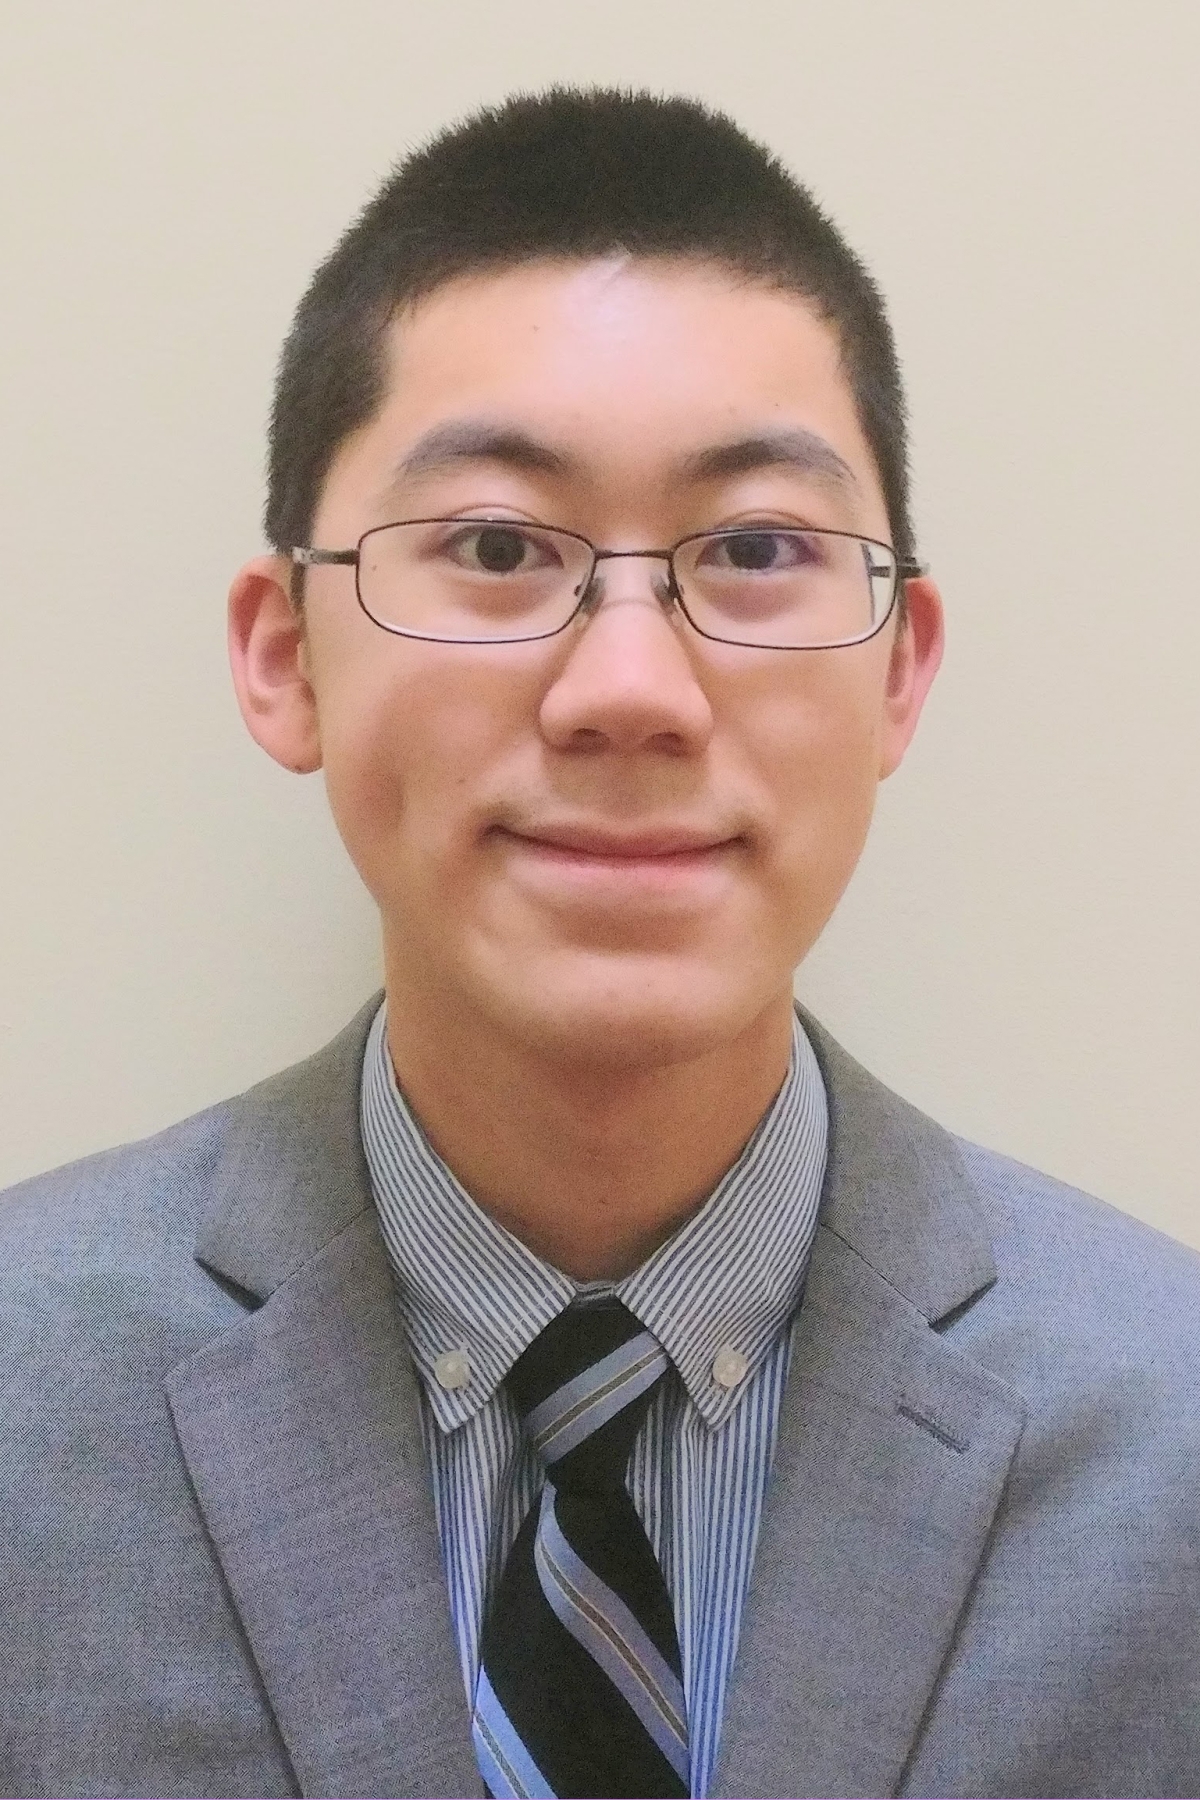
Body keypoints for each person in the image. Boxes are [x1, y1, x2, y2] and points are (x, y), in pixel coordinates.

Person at [1, 86, 1197, 1800]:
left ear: (901, 671)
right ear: (285, 658)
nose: (629, 689)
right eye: (495, 546)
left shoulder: (1174, 1439)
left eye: (761, 551)